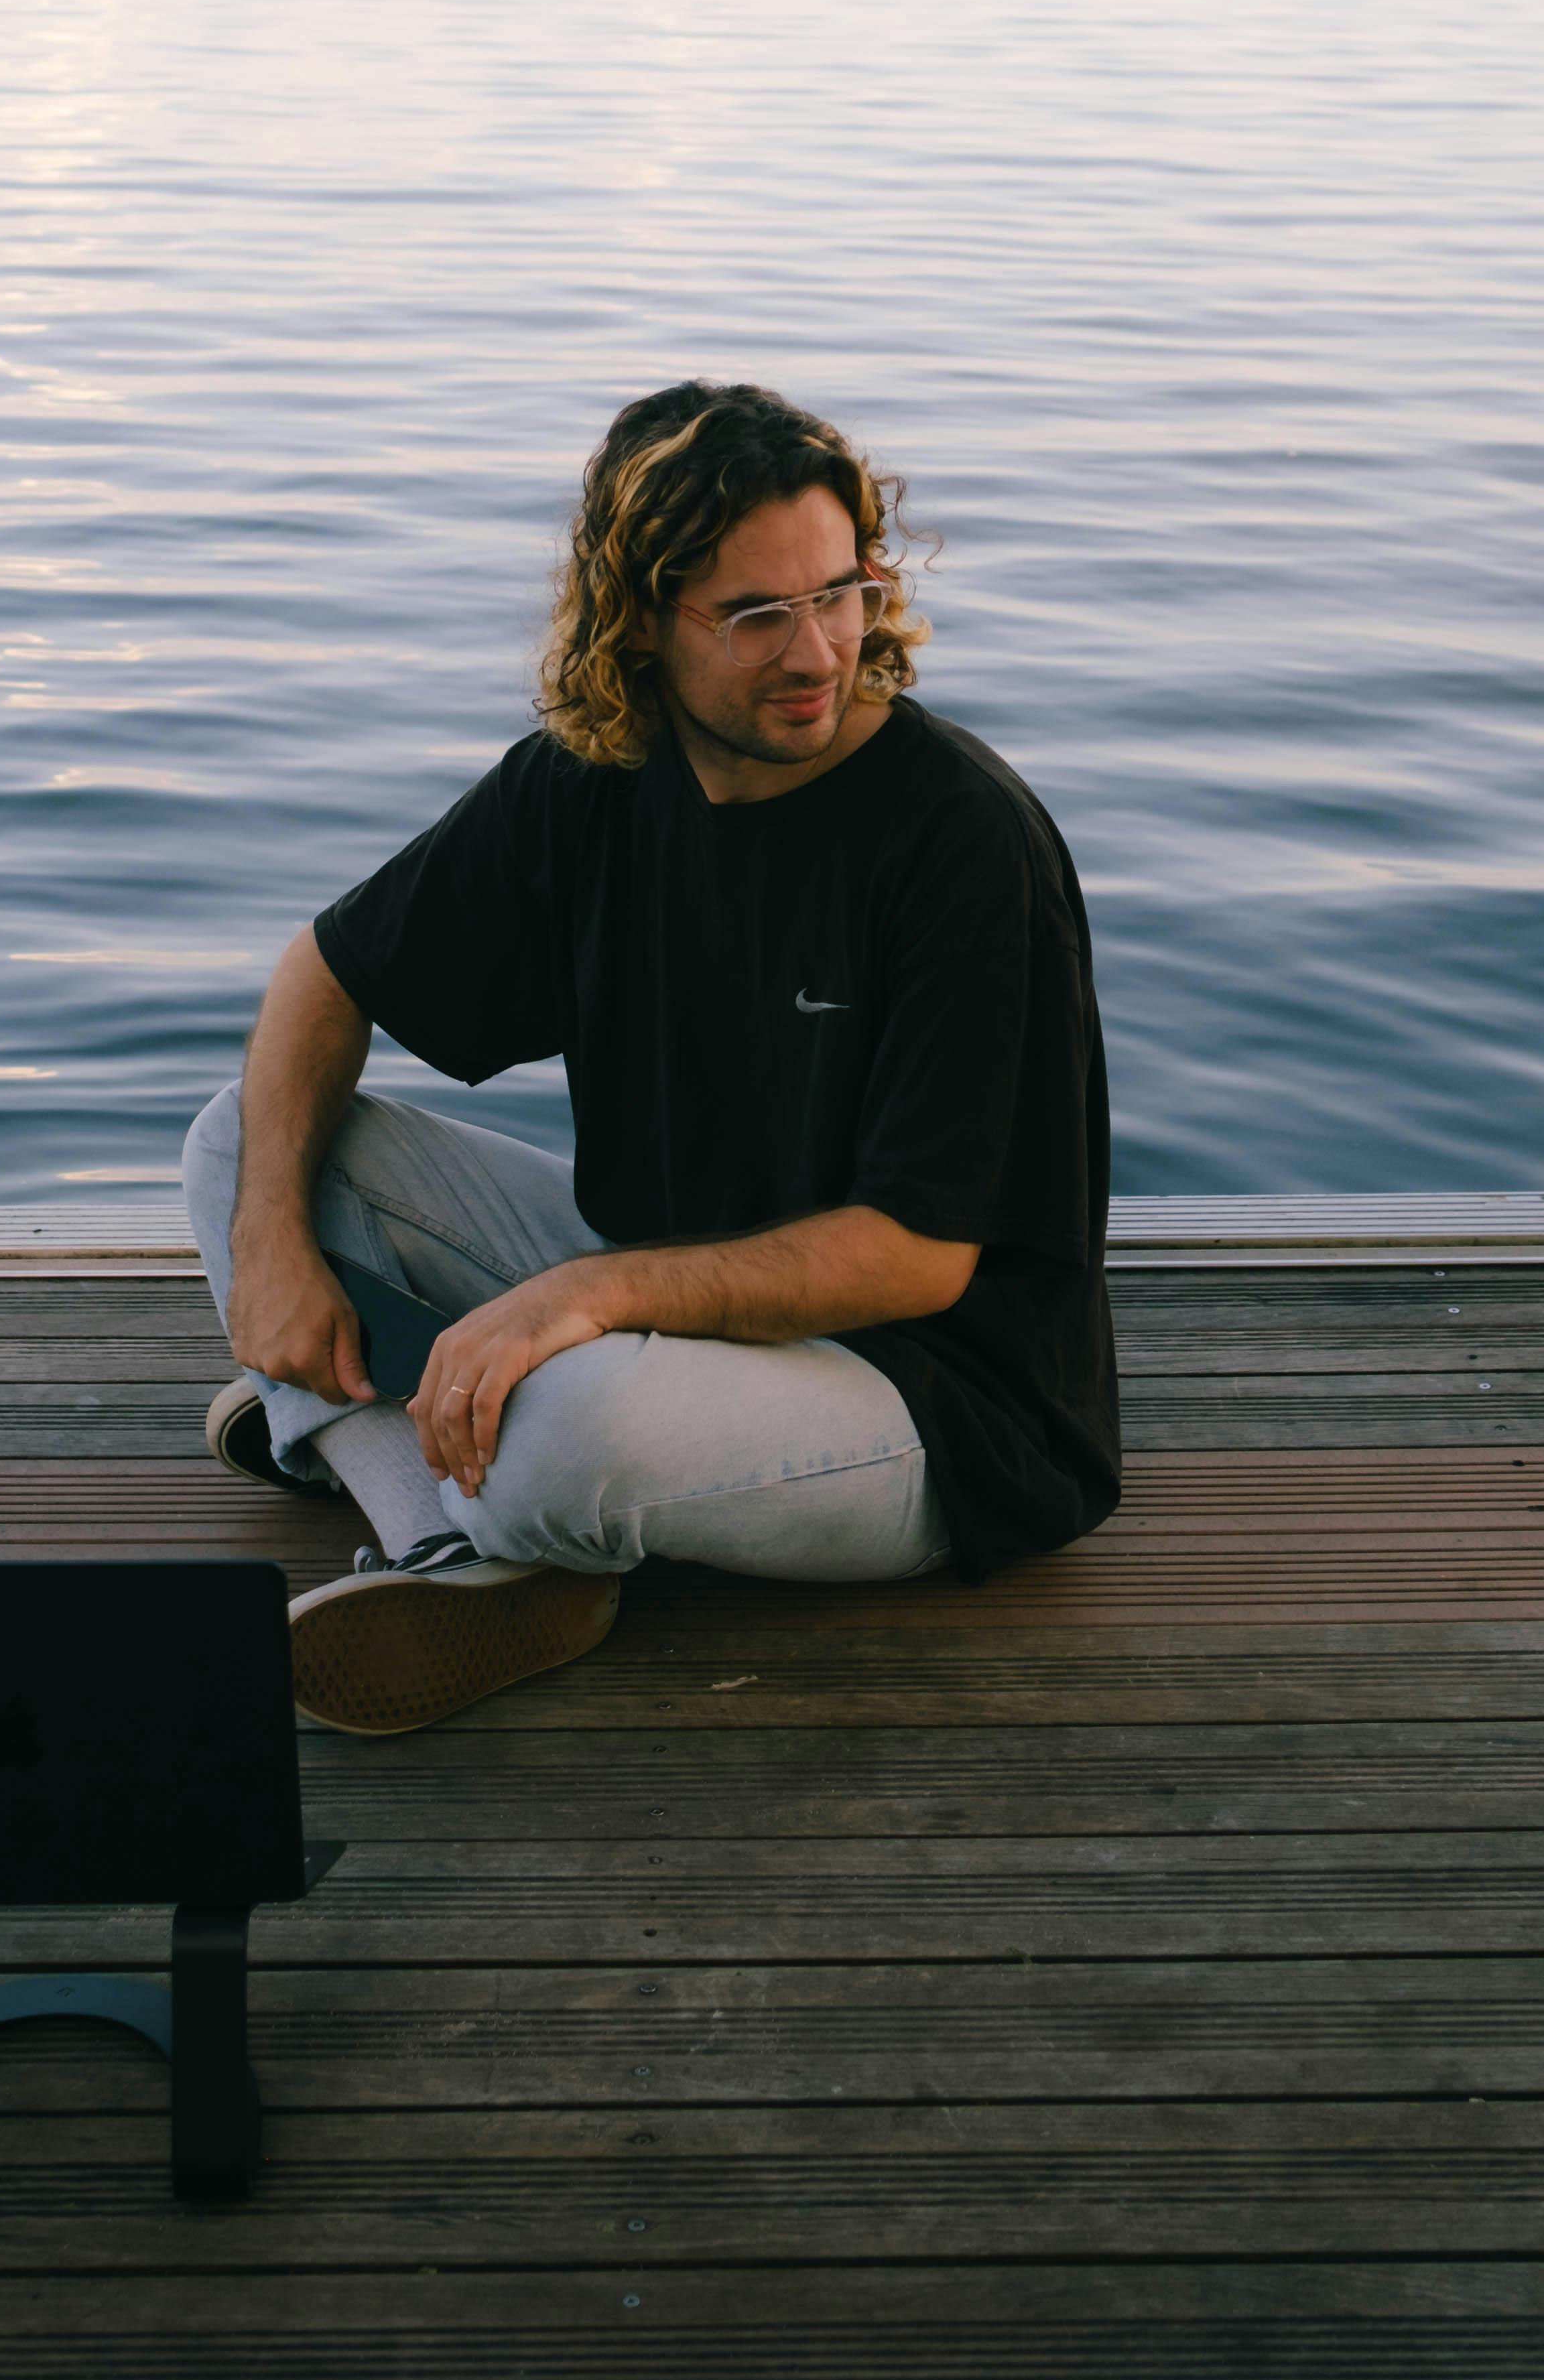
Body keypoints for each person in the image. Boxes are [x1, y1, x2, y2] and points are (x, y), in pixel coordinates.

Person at [186, 379, 1119, 1737]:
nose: (815, 652)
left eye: (839, 591)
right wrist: (274, 1246)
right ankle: (455, 1535)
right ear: (639, 625)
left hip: (931, 1399)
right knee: (240, 1141)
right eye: (752, 614)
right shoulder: (588, 784)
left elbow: (916, 1258)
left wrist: (579, 1298)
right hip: (663, 1300)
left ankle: (358, 1433)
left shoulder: (960, 842)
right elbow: (325, 976)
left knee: (565, 1424)